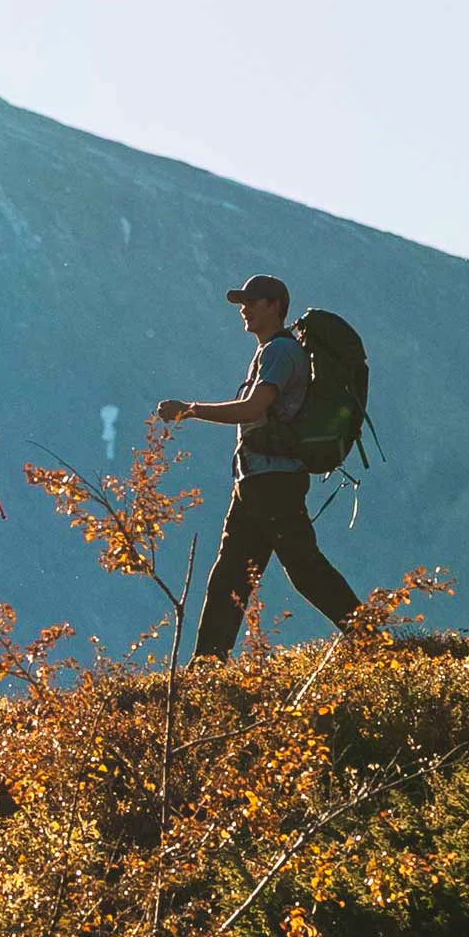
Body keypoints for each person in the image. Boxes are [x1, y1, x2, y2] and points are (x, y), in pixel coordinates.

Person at [159, 274, 361, 659]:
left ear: (274, 306)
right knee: (231, 577)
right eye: (242, 302)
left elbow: (255, 408)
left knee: (300, 568)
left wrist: (190, 410)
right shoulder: (273, 351)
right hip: (257, 481)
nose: (243, 309)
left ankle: (372, 639)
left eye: (252, 302)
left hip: (273, 481)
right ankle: (207, 667)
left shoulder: (279, 353)